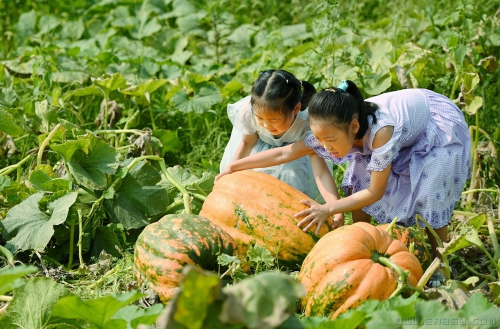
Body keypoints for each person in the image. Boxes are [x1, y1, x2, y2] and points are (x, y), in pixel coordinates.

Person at [217, 80, 471, 285]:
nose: (326, 147)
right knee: (356, 179)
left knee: (429, 194)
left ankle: (442, 263)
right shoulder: (333, 127)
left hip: (435, 126)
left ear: (354, 126)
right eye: (320, 140)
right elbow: (286, 152)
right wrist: (234, 165)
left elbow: (375, 191)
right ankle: (362, 242)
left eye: (330, 140)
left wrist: (328, 208)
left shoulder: (381, 133)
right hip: (403, 125)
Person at [220, 69, 328, 200]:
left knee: (291, 182)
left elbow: (285, 154)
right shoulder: (247, 112)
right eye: (260, 118)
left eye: (274, 120)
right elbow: (247, 143)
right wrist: (233, 170)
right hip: (260, 148)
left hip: (295, 152)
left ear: (296, 109)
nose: (266, 125)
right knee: (255, 184)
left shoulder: (307, 122)